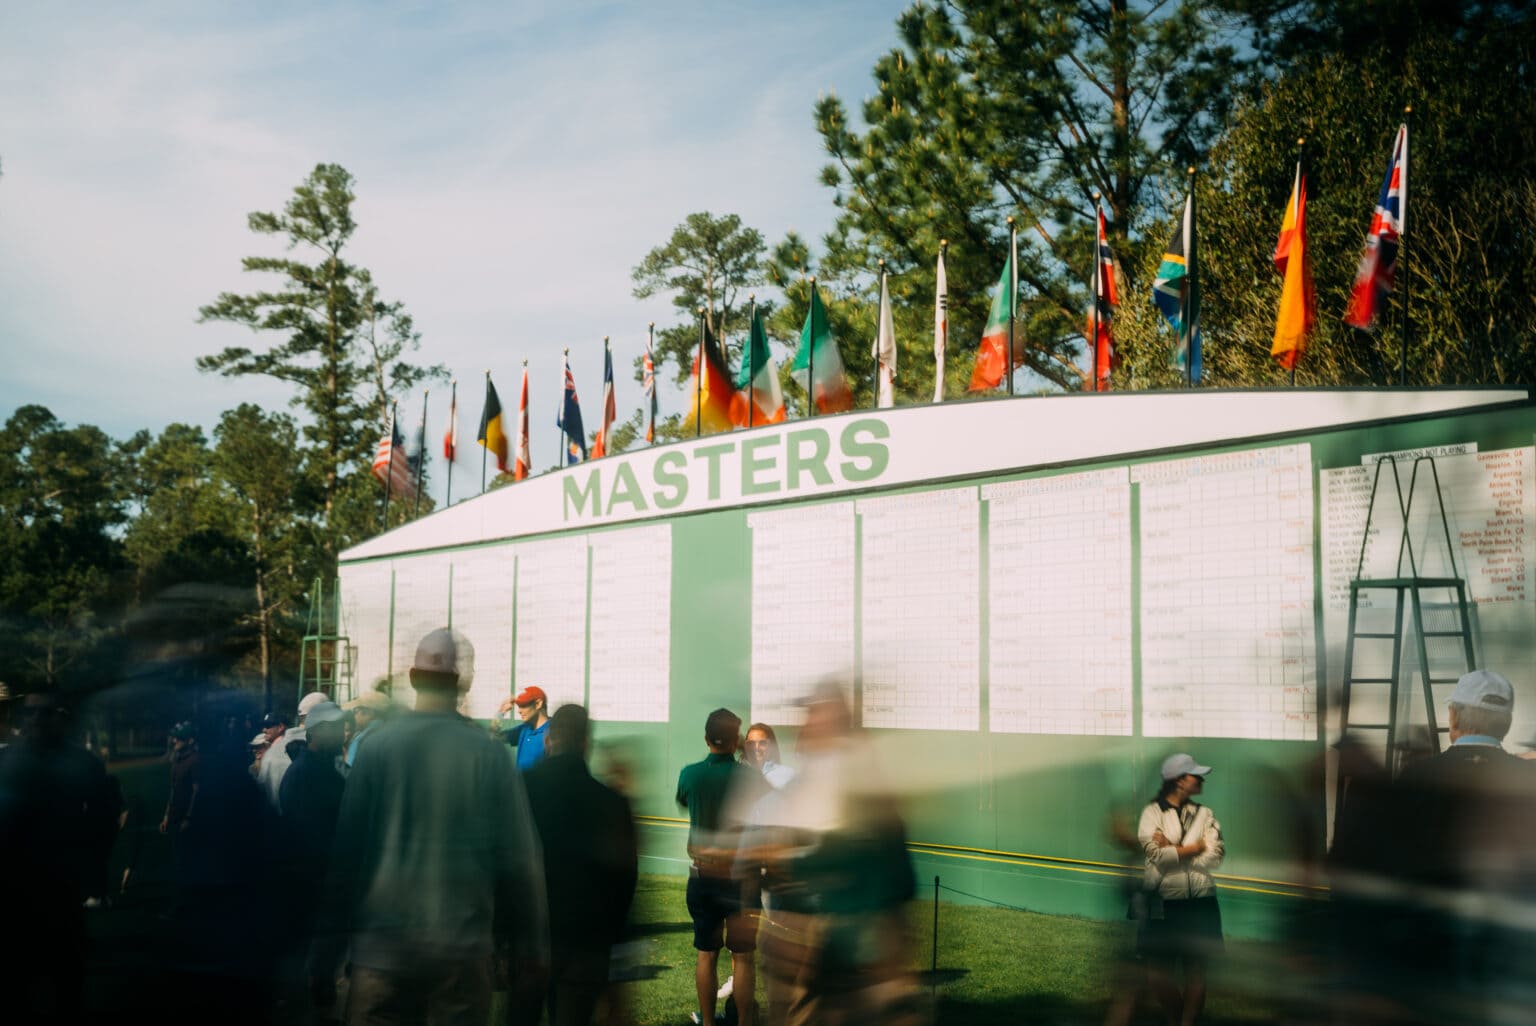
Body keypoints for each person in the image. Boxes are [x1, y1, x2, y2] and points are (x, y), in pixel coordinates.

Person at [316, 627, 547, 1026]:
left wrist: (324, 954)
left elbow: (346, 856)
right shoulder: (487, 754)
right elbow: (521, 863)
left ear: (412, 677)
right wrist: (531, 952)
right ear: (462, 682)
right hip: (460, 956)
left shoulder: (377, 748)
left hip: (382, 954)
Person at [1386, 669, 1536, 1024]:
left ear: (1453, 716)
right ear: (1506, 724)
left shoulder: (1416, 779)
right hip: (1511, 947)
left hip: (1431, 947)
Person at [517, 705, 638, 1026]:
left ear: (548, 740)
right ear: (586, 744)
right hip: (586, 945)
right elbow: (624, 884)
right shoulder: (611, 802)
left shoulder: (519, 789)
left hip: (528, 938)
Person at [677, 707, 767, 1026]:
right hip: (741, 877)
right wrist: (744, 750)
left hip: (703, 875)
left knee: (707, 954)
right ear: (735, 739)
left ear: (706, 738)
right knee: (743, 958)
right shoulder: (748, 776)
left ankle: (708, 1023)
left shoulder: (690, 774)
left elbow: (683, 800)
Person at [1137, 753, 1224, 1026]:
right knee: (1156, 973)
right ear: (1178, 780)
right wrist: (1194, 848)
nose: (1201, 780)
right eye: (1195, 775)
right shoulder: (1151, 814)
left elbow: (1215, 856)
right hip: (1162, 901)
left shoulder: (1206, 814)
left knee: (1196, 971)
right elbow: (1156, 855)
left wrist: (1174, 849)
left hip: (1201, 900)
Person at [500, 686, 552, 771]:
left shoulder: (553, 732)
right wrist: (501, 712)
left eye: (523, 705)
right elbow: (493, 737)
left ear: (538, 704)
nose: (519, 711)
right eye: (519, 706)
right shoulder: (524, 729)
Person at [342, 691, 391, 773]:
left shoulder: (360, 739)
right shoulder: (388, 731)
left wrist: (345, 756)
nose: (353, 716)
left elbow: (350, 772)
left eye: (356, 712)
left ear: (369, 714)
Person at [742, 723, 795, 790]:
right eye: (751, 743)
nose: (756, 748)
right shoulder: (736, 774)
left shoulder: (788, 775)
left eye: (762, 743)